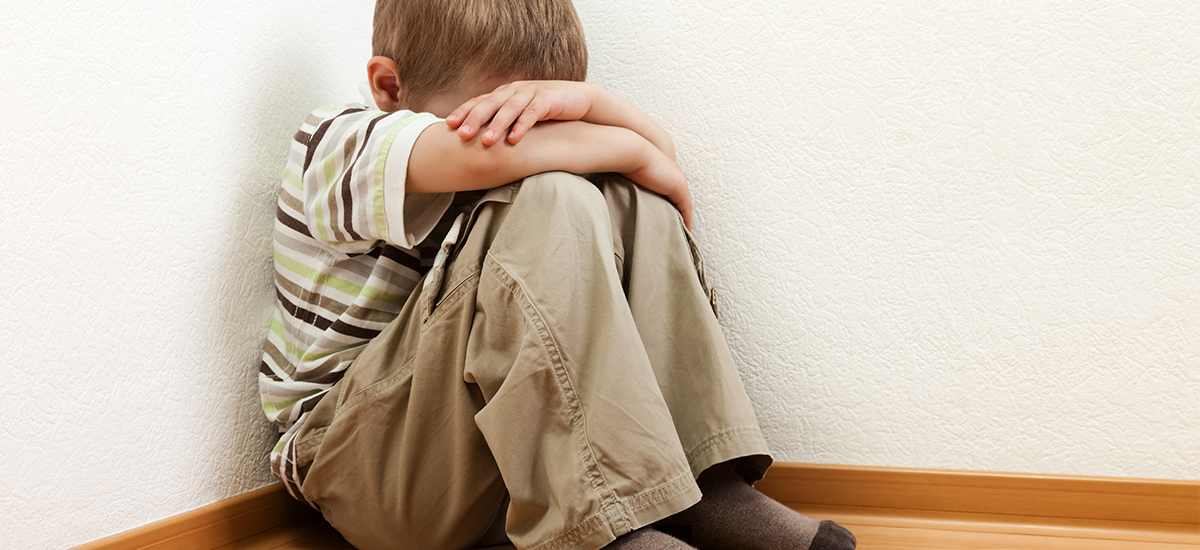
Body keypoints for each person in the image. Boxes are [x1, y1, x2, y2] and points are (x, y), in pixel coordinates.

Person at [258, 1, 857, 549]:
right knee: (555, 194)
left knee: (628, 196)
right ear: (390, 86)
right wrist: (641, 151)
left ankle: (700, 490)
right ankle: (606, 532)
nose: (542, 136)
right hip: (367, 468)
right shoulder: (334, 143)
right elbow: (488, 155)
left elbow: (611, 162)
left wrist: (592, 108)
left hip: (488, 467)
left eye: (549, 116)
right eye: (507, 118)